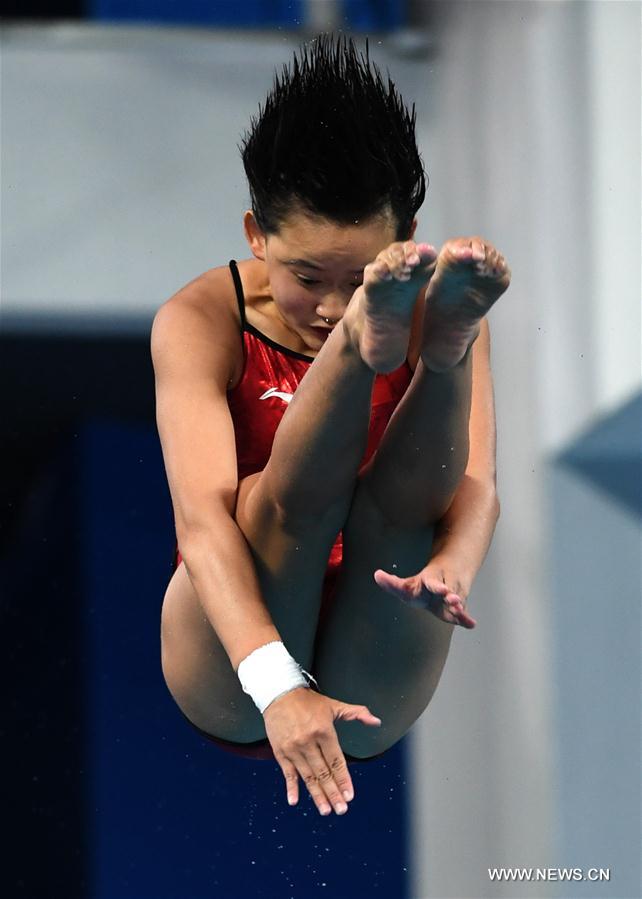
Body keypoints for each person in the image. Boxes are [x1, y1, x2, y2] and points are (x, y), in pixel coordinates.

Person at [153, 34, 510, 819]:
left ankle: (442, 358)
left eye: (359, 281)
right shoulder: (200, 317)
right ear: (256, 235)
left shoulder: (435, 303)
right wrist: (276, 685)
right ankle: (369, 351)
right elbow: (201, 526)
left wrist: (451, 569)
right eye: (308, 276)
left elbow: (476, 483)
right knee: (267, 501)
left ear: (406, 236)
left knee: (406, 514)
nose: (327, 302)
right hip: (234, 662)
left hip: (372, 635)